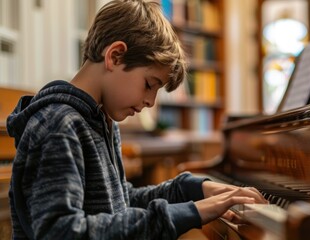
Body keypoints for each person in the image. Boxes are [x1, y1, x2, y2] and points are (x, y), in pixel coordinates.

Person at [7, 0, 267, 239]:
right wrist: (191, 213)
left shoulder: (102, 121)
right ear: (115, 56)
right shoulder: (59, 125)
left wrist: (192, 190)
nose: (151, 102)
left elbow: (121, 201)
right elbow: (60, 232)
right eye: (149, 84)